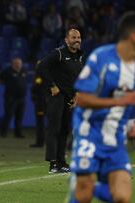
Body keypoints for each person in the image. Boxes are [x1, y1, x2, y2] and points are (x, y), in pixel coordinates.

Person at [67, 12, 135, 203]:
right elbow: (82, 99)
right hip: (90, 133)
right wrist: (119, 102)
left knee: (121, 197)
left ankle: (88, 186)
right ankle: (83, 187)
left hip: (115, 138)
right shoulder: (102, 58)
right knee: (83, 197)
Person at [38, 28, 84, 174]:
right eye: (73, 37)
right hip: (56, 97)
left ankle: (62, 162)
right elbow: (42, 66)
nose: (77, 40)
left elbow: (77, 78)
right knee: (54, 128)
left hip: (69, 98)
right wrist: (52, 85)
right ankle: (53, 163)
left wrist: (77, 94)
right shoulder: (58, 53)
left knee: (65, 130)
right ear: (66, 40)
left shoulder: (80, 57)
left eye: (78, 37)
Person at [0, 57, 27, 138]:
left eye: (19, 64)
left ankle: (18, 133)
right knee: (8, 115)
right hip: (10, 97)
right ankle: (3, 133)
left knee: (19, 117)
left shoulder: (23, 71)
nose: (18, 65)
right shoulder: (7, 71)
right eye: (16, 64)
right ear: (13, 64)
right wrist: (6, 84)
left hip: (21, 98)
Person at [30, 61, 46, 148]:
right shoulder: (49, 74)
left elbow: (37, 87)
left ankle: (40, 142)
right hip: (45, 101)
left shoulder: (40, 75)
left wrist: (34, 96)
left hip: (41, 103)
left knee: (40, 122)